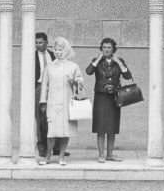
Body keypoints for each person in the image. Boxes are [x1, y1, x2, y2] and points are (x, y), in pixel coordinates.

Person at [85, 37, 133, 163]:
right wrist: (98, 59)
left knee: (112, 127)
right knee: (101, 126)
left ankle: (110, 154)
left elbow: (128, 76)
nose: (107, 50)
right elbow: (88, 71)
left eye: (109, 47)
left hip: (114, 97)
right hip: (101, 97)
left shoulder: (119, 61)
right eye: (104, 47)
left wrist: (120, 63)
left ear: (113, 49)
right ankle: (101, 154)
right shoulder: (97, 61)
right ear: (101, 48)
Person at [39, 36, 84, 166]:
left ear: (66, 51)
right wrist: (43, 101)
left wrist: (75, 81)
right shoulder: (49, 67)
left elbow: (80, 84)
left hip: (67, 102)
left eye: (61, 50)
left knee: (65, 131)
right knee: (51, 131)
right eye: (56, 50)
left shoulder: (73, 66)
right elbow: (44, 86)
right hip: (53, 102)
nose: (58, 52)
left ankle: (62, 156)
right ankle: (47, 156)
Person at [34, 31, 56, 159]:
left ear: (47, 43)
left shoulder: (53, 55)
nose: (38, 45)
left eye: (40, 42)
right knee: (40, 118)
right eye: (36, 43)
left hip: (53, 88)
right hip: (39, 87)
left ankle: (56, 147)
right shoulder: (32, 56)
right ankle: (42, 147)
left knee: (55, 117)